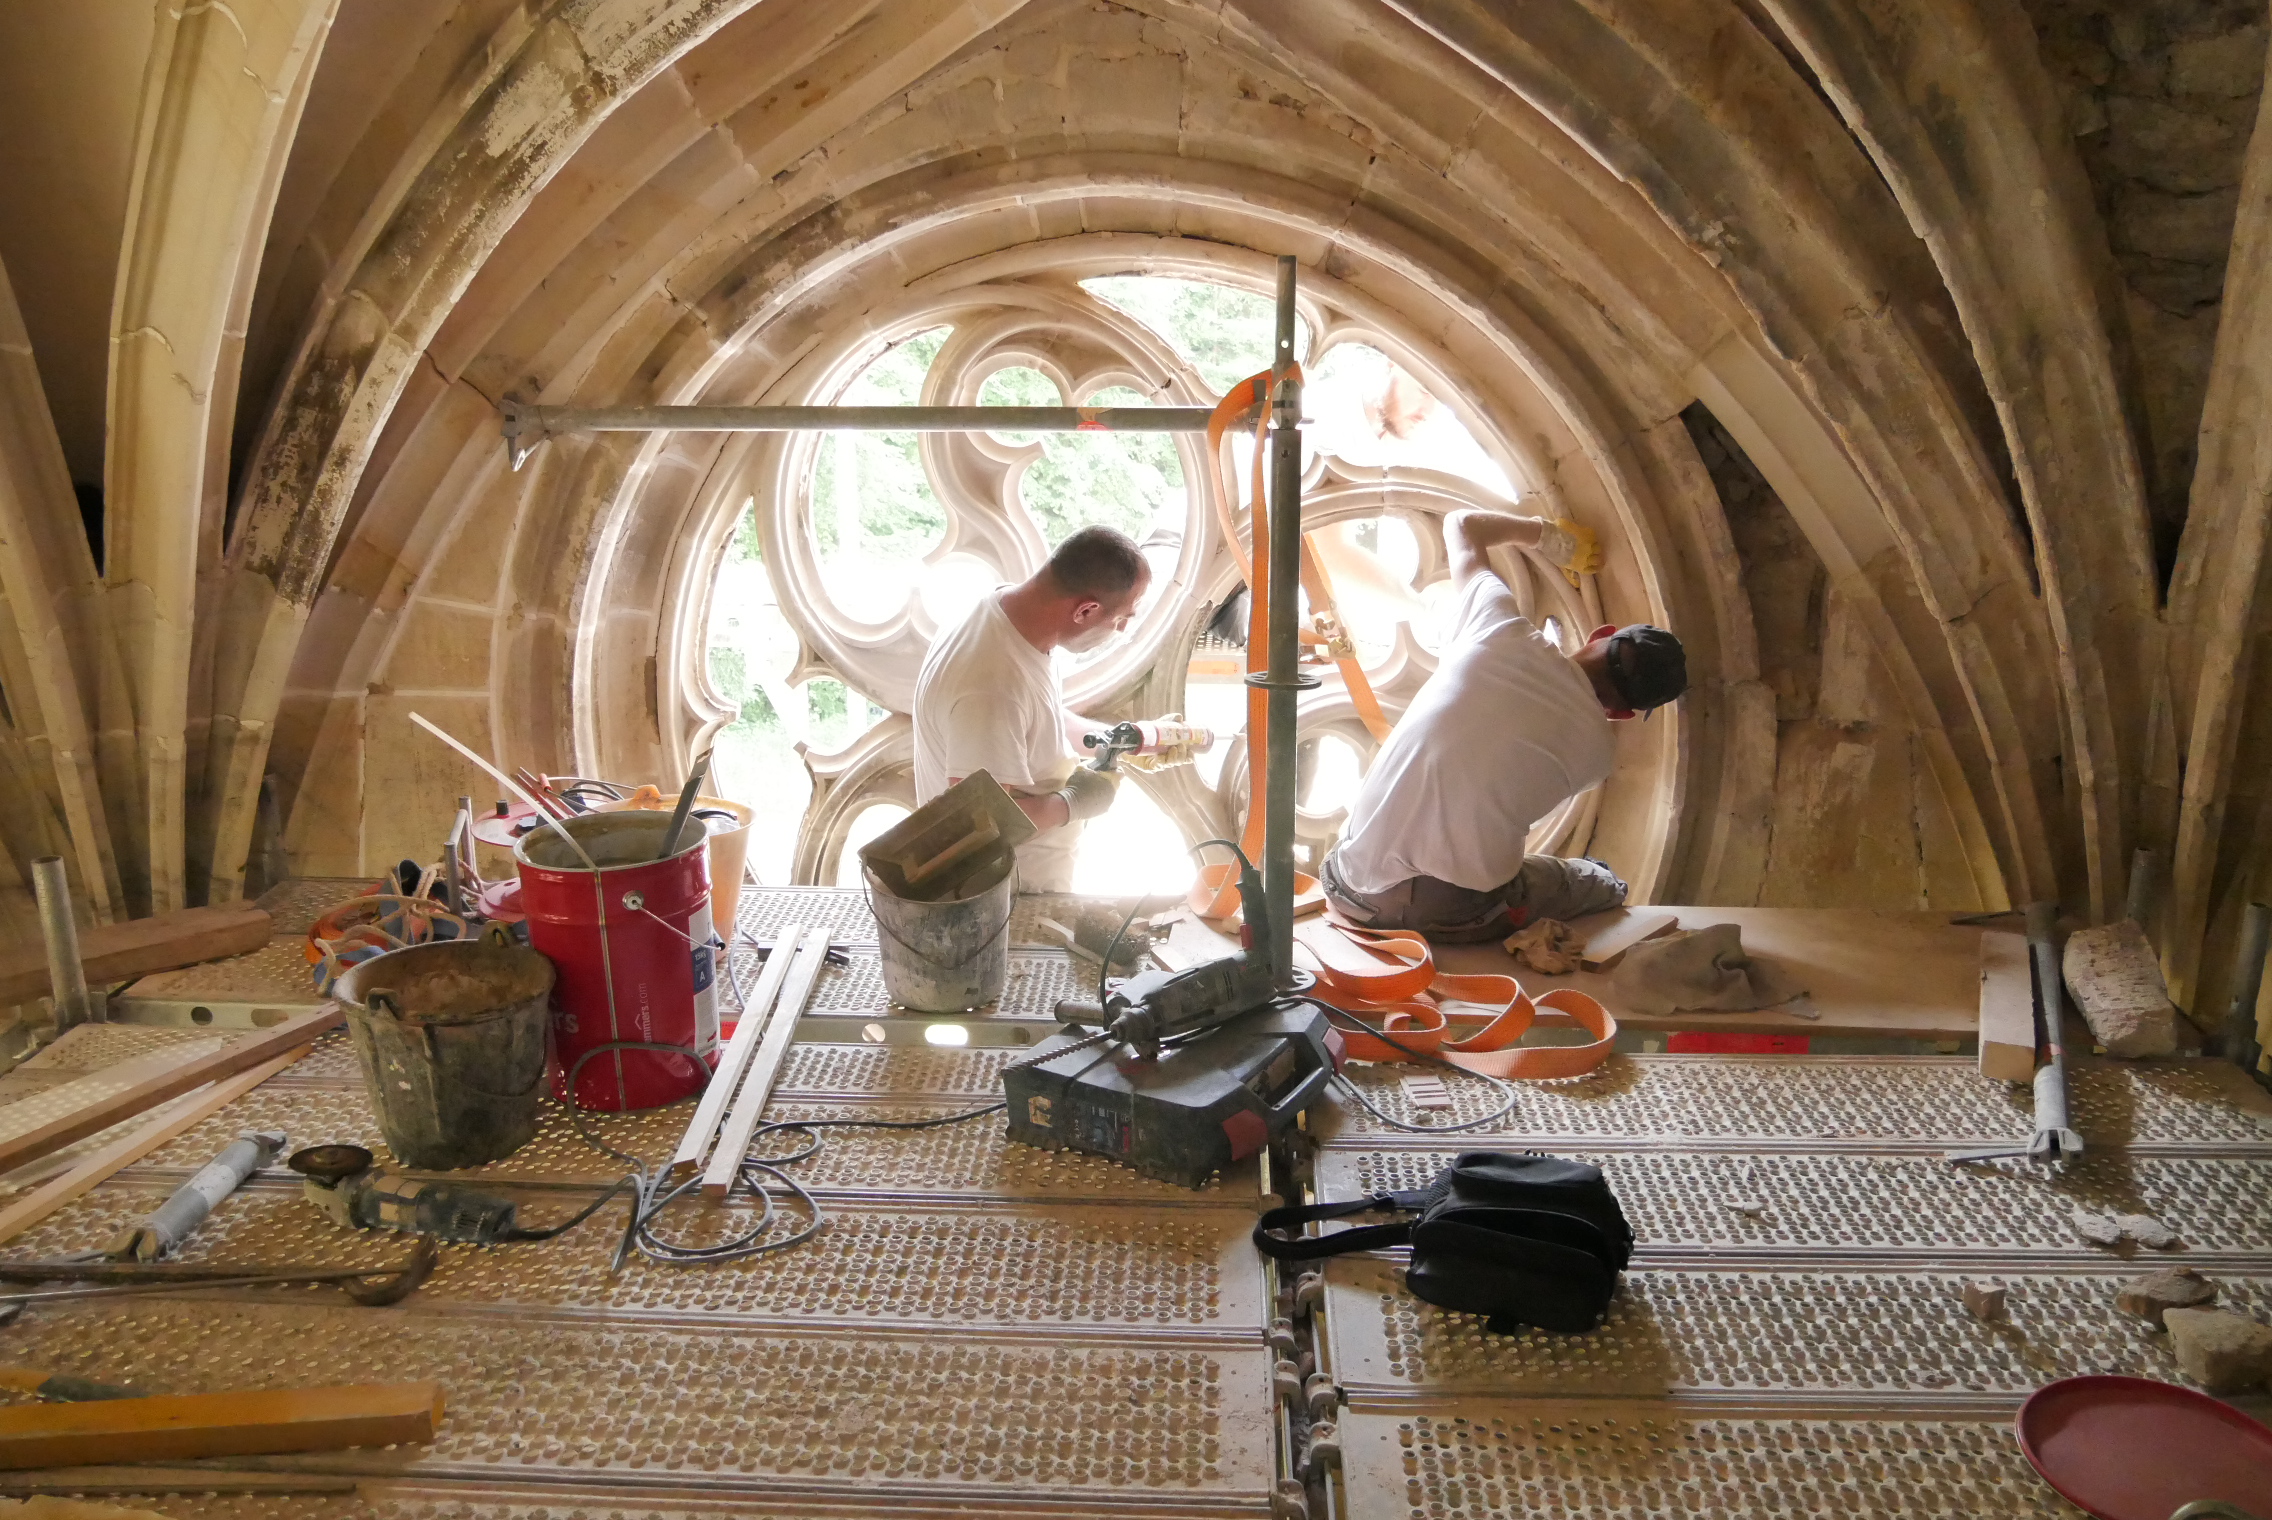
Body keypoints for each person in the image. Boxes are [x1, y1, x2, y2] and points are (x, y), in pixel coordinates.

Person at [1319, 509, 1686, 942]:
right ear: (1623, 714)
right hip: (1441, 913)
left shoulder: (1497, 627)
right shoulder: (1598, 757)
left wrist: (1549, 537)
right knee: (1594, 880)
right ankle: (1600, 883)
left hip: (1341, 879)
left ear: (1598, 634)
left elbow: (1461, 524)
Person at [912, 525, 1151, 892]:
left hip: (1026, 883)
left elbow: (1036, 720)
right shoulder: (991, 688)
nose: (1119, 630)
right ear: (1085, 610)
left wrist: (1109, 740)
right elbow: (976, 828)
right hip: (1006, 898)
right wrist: (1073, 802)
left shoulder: (1007, 613)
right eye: (1121, 618)